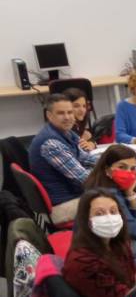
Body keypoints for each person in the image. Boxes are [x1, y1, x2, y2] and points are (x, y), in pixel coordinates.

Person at [62, 188, 136, 297]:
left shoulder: (116, 244)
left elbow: (134, 280)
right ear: (86, 220)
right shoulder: (82, 262)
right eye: (99, 214)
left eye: (113, 211)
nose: (109, 218)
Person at [29, 93, 98, 223]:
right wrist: (109, 173)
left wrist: (110, 163)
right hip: (61, 206)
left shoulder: (67, 133)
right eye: (61, 113)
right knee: (115, 197)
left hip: (71, 196)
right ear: (49, 115)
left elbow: (86, 158)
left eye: (70, 112)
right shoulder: (51, 144)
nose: (67, 117)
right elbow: (86, 180)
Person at [64, 87, 96, 151]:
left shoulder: (77, 125)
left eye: (84, 106)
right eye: (76, 106)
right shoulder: (64, 129)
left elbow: (90, 138)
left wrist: (91, 144)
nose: (82, 110)